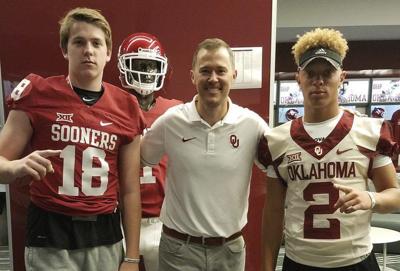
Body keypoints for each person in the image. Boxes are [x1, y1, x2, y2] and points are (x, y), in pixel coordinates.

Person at [0, 7, 144, 271]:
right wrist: (13, 167)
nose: (88, 50)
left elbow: (131, 190)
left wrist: (132, 257)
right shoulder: (38, 94)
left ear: (108, 53)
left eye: (96, 43)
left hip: (104, 234)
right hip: (50, 232)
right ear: (65, 50)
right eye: (79, 42)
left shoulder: (127, 106)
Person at [258, 28, 400, 271]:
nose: (319, 81)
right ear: (298, 78)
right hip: (299, 262)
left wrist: (371, 198)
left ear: (342, 77)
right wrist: (267, 267)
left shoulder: (369, 131)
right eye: (311, 73)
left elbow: (395, 195)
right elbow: (273, 212)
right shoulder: (276, 139)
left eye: (327, 73)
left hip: (355, 261)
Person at [140, 38, 269, 271]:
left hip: (229, 251)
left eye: (221, 71)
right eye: (205, 71)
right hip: (178, 250)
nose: (213, 79)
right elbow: (137, 158)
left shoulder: (252, 125)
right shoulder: (171, 121)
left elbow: (282, 168)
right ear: (193, 76)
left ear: (234, 75)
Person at [118, 32, 182, 271]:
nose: (145, 71)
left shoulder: (176, 110)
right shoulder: (111, 106)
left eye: (151, 65)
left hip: (163, 218)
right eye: (139, 64)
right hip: (120, 218)